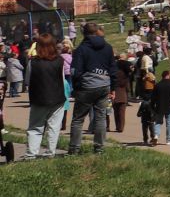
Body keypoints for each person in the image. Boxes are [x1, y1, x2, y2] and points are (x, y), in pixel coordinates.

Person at [68, 23, 115, 155]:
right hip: (104, 85)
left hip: (86, 86)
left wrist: (76, 87)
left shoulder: (81, 49)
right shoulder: (108, 47)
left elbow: (75, 71)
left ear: (84, 33)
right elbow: (113, 69)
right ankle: (99, 148)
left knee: (78, 119)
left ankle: (74, 149)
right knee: (100, 118)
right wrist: (113, 87)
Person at [24, 38, 67, 160]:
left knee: (35, 127)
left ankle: (31, 154)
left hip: (39, 98)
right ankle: (50, 153)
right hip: (58, 98)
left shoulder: (33, 63)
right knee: (54, 127)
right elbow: (63, 79)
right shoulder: (60, 61)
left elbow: (27, 81)